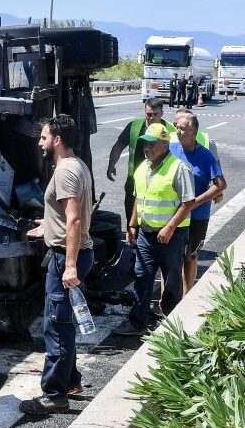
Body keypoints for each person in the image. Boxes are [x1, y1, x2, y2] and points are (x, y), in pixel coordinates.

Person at [19, 115, 94, 415]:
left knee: (57, 326)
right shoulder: (78, 164)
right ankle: (71, 382)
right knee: (64, 323)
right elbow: (67, 217)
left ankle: (54, 395)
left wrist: (71, 265)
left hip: (67, 256)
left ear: (57, 140)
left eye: (44, 137)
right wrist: (48, 225)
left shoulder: (64, 172)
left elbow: (74, 218)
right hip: (70, 249)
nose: (40, 142)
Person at [113, 123, 194, 336]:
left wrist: (169, 227)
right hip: (146, 234)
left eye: (151, 144)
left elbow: (188, 202)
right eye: (144, 144)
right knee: (142, 277)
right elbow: (140, 199)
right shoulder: (143, 168)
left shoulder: (179, 168)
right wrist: (132, 225)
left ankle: (171, 324)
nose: (146, 148)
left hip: (172, 236)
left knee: (172, 282)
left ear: (164, 145)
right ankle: (137, 322)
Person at [170, 112, 226, 296]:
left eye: (183, 128)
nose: (178, 131)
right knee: (172, 257)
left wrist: (195, 202)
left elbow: (220, 185)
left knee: (190, 255)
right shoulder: (171, 150)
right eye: (177, 127)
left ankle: (187, 295)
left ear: (194, 131)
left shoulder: (205, 155)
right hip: (174, 213)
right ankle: (167, 300)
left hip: (197, 215)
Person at [106, 98, 176, 228]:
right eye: (149, 114)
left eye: (156, 114)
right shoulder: (134, 126)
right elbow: (118, 146)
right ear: (145, 112)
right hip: (135, 180)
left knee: (155, 218)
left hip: (160, 181)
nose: (151, 117)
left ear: (162, 113)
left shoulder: (170, 130)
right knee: (131, 216)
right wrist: (111, 165)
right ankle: (133, 242)